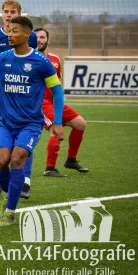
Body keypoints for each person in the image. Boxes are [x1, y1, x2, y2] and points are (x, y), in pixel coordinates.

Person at [0, 16, 65, 226]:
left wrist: (57, 122)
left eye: (15, 31)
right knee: (1, 162)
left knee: (17, 159)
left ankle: (10, 211)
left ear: (27, 35)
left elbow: (57, 92)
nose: (10, 34)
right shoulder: (2, 58)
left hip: (31, 124)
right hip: (6, 123)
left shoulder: (41, 63)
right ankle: (9, 195)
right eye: (9, 31)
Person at [0, 0, 38, 198]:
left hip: (22, 93)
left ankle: (25, 181)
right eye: (6, 11)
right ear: (1, 13)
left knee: (23, 138)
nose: (9, 14)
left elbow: (34, 59)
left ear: (20, 14)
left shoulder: (31, 37)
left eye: (13, 11)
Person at [34, 28, 89, 176]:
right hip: (40, 102)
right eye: (36, 37)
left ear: (48, 40)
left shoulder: (55, 60)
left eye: (42, 37)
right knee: (56, 130)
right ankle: (49, 168)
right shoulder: (30, 58)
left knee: (80, 124)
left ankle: (71, 160)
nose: (39, 40)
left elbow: (57, 84)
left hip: (55, 101)